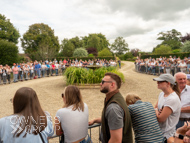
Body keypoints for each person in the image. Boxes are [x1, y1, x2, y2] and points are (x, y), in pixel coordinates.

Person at [89, 72, 133, 143]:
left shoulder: (113, 107)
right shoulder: (118, 98)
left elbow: (116, 140)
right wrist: (95, 120)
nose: (100, 84)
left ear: (112, 84)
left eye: (103, 82)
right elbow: (112, 120)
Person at [153, 74, 181, 143]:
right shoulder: (162, 94)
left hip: (166, 135)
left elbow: (160, 119)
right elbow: (156, 107)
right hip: (160, 132)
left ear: (168, 83)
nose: (157, 83)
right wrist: (157, 111)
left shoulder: (172, 99)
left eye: (160, 82)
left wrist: (156, 111)